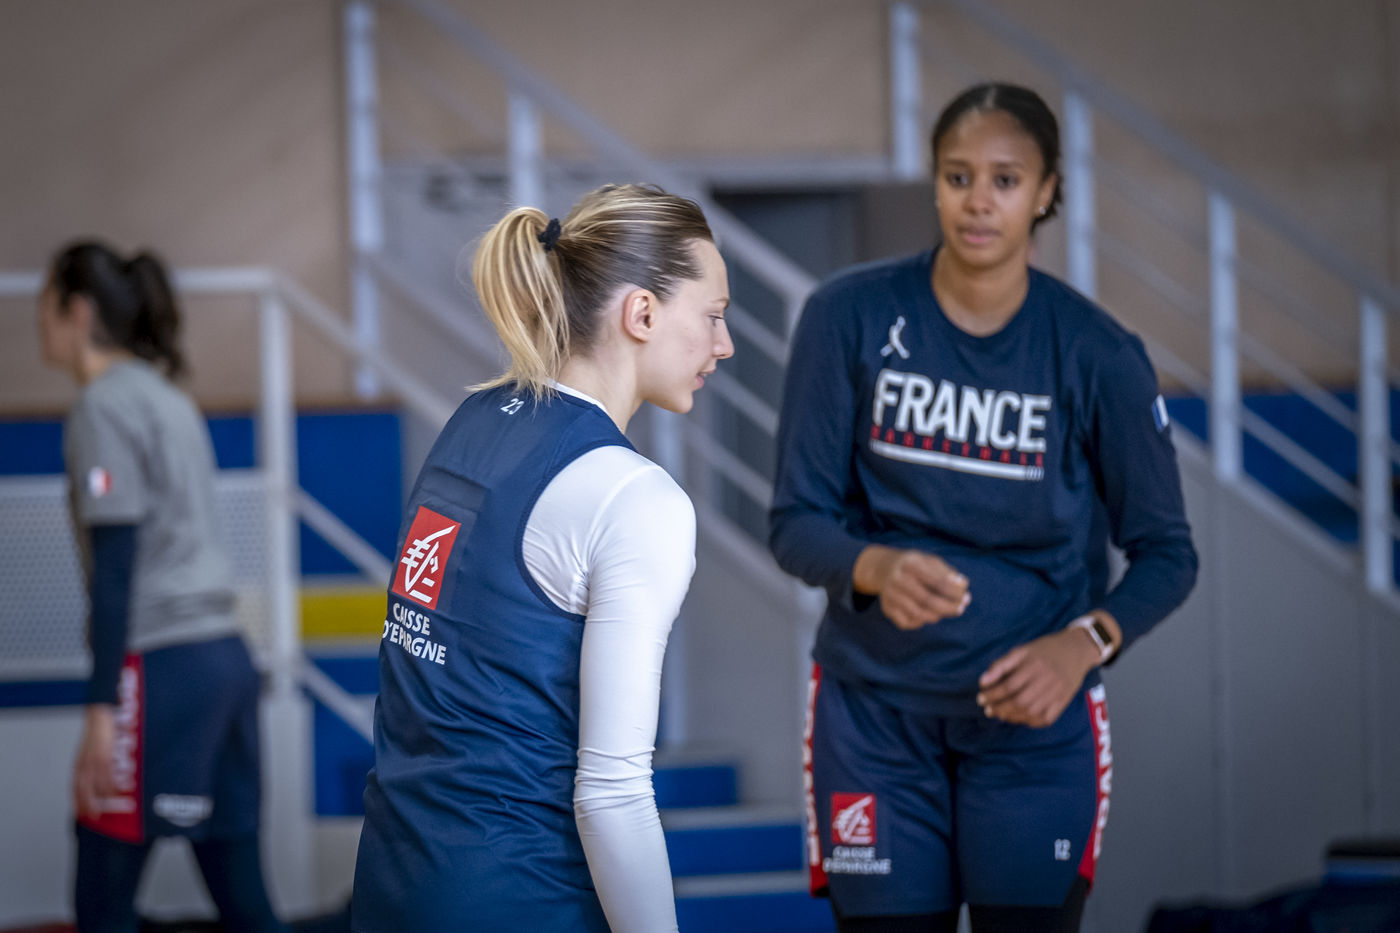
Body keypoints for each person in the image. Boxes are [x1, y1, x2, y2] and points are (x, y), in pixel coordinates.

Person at [769, 83, 1198, 933]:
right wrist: (873, 564)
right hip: (875, 720)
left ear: (1045, 192)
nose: (978, 201)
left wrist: (1084, 644)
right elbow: (795, 522)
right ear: (933, 182)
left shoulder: (1098, 353)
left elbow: (1168, 553)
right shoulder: (846, 317)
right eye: (958, 176)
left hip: (1034, 734)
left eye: (1006, 179)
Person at [350, 183, 733, 932]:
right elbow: (613, 793)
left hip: (393, 884)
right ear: (642, 314)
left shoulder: (471, 420)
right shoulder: (636, 498)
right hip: (524, 896)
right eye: (713, 316)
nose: (723, 345)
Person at [37, 242, 287, 933]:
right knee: (245, 903)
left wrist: (100, 708)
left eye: (45, 307)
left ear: (77, 312)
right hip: (226, 661)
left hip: (162, 668)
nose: (38, 324)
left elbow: (117, 565)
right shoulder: (167, 397)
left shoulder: (102, 406)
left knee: (102, 903)